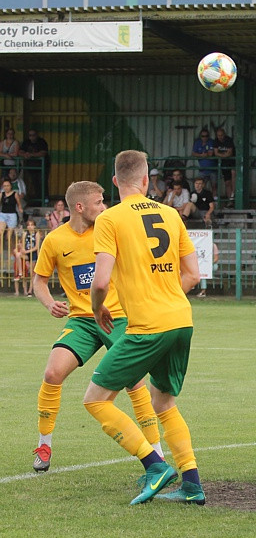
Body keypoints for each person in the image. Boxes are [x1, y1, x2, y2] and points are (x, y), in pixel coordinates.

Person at [84, 149, 204, 505]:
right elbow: (193, 275)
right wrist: (165, 295)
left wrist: (97, 309)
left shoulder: (110, 219)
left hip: (148, 325)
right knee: (163, 402)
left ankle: (154, 465)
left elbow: (101, 281)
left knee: (96, 399)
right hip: (181, 320)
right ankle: (192, 485)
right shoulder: (170, 213)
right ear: (147, 180)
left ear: (115, 181)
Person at [31, 181, 162, 473]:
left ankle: (157, 451)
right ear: (80, 207)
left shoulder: (109, 229)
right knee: (52, 373)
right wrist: (49, 302)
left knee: (135, 380)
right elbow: (38, 281)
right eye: (99, 202)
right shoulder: (55, 240)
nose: (104, 207)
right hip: (81, 320)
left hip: (117, 318)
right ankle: (44, 444)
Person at [19, 129, 49, 204]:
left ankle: (45, 199)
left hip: (43, 166)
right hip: (31, 166)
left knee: (43, 182)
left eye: (33, 135)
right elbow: (20, 151)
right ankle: (37, 200)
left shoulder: (41, 142)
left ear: (37, 135)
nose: (32, 137)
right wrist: (25, 154)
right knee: (34, 183)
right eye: (30, 135)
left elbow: (43, 153)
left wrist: (31, 155)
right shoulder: (26, 142)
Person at [14, 218, 41, 297]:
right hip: (26, 253)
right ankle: (20, 272)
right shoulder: (25, 234)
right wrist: (22, 249)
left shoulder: (37, 234)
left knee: (32, 273)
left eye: (32, 225)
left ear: (34, 226)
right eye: (28, 225)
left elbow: (36, 247)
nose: (30, 227)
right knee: (18, 255)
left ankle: (30, 290)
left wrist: (27, 251)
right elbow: (22, 243)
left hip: (33, 253)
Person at [213, 127, 236, 204]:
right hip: (224, 164)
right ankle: (230, 201)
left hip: (232, 163)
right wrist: (224, 155)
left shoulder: (229, 140)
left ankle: (234, 196)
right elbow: (216, 153)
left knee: (234, 177)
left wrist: (221, 155)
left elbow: (230, 153)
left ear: (224, 134)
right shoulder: (216, 141)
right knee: (227, 183)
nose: (220, 137)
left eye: (221, 135)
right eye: (218, 135)